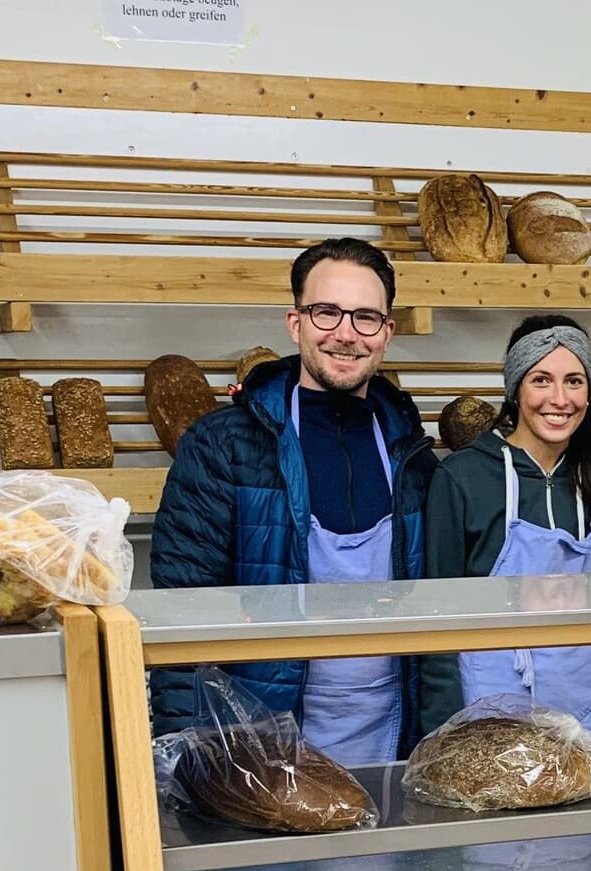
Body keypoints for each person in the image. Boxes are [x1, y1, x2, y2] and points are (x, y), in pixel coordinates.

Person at [150, 237, 439, 766]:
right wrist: (182, 759)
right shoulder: (224, 446)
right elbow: (180, 620)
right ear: (295, 322)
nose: (346, 334)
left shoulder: (413, 454)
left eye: (366, 317)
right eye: (326, 312)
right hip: (259, 742)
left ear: (387, 333)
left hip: (396, 739)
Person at [421, 315, 591, 742]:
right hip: (491, 708)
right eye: (541, 380)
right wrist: (441, 732)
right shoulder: (463, 478)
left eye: (574, 381)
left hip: (590, 711)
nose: (559, 398)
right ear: (515, 389)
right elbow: (436, 615)